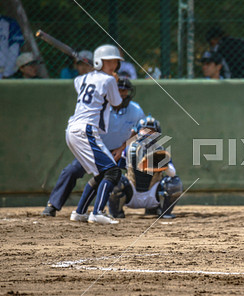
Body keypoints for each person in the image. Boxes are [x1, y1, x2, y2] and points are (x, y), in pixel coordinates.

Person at [41, 77, 145, 217]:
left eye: (124, 90)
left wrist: (122, 148)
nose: (122, 94)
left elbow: (140, 131)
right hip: (96, 150)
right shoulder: (100, 108)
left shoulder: (135, 110)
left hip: (120, 152)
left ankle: (151, 204)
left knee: (146, 164)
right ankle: (52, 205)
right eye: (119, 90)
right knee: (72, 171)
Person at [65, 44, 125, 225]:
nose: (113, 65)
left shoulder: (80, 79)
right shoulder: (108, 81)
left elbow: (85, 86)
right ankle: (98, 211)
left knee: (102, 173)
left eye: (115, 61)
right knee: (113, 171)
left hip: (72, 131)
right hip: (86, 130)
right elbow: (117, 102)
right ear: (100, 62)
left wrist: (98, 74)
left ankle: (80, 212)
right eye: (109, 61)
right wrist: (112, 80)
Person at [108, 115, 182, 219]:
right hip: (132, 194)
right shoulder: (128, 149)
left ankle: (163, 211)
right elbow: (115, 168)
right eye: (145, 130)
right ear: (138, 131)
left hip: (152, 196)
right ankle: (116, 212)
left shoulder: (161, 150)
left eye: (151, 131)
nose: (148, 133)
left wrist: (162, 165)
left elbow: (172, 173)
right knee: (113, 179)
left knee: (174, 182)